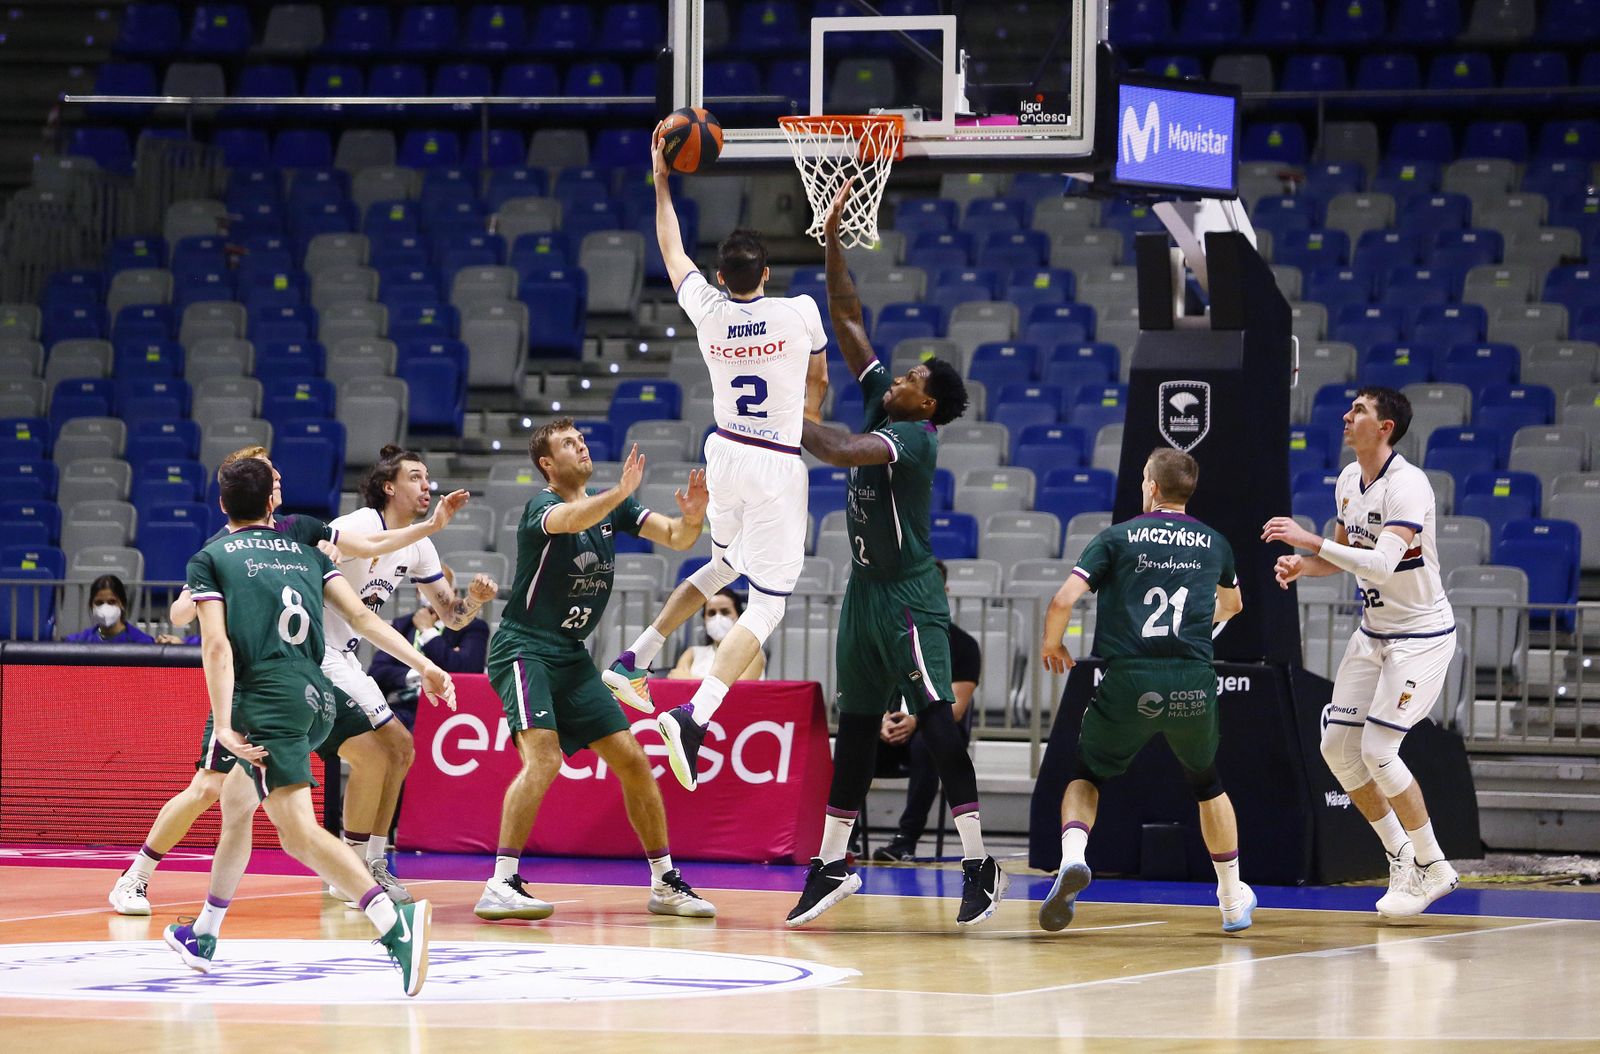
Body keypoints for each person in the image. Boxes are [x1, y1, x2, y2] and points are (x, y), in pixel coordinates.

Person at [108, 445, 470, 916]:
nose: (278, 481)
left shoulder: (301, 531)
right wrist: (194, 600)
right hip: (250, 687)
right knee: (213, 790)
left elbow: (369, 563)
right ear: (253, 491)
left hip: (303, 681)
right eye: (270, 475)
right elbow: (184, 615)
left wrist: (430, 528)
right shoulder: (224, 546)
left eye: (277, 475)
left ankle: (348, 880)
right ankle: (137, 877)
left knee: (364, 758)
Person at [784, 179, 1005, 929]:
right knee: (854, 727)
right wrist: (833, 236)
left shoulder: (912, 439)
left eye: (913, 379)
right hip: (866, 590)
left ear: (929, 403)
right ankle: (831, 864)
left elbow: (842, 449)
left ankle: (980, 860)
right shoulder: (893, 403)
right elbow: (847, 319)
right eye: (903, 373)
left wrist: (785, 410)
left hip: (911, 595)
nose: (900, 377)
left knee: (938, 724)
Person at [162, 456, 456, 996]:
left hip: (268, 700)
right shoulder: (304, 547)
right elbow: (366, 620)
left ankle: (394, 925)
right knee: (235, 806)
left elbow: (216, 646)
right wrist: (427, 665)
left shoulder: (212, 557)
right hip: (319, 695)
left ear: (223, 504)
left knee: (296, 831)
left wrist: (224, 725)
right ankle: (203, 932)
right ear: (272, 502)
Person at [602, 124, 828, 791]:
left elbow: (671, 248)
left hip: (724, 452)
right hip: (775, 462)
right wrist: (810, 410)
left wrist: (663, 177)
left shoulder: (708, 311)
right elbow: (817, 384)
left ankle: (635, 658)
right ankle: (694, 717)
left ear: (723, 277)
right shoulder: (798, 311)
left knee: (723, 564)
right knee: (767, 606)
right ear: (765, 274)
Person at [473, 421, 718, 923]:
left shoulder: (613, 507)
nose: (581, 445)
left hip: (571, 654)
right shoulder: (541, 508)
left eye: (582, 439)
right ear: (547, 463)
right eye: (568, 443)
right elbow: (570, 518)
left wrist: (694, 519)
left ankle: (664, 883)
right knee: (544, 759)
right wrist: (620, 492)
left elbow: (675, 536)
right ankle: (500, 882)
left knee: (631, 758)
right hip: (524, 648)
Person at [1262, 386, 1460, 918]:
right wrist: (1308, 566)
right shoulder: (1350, 480)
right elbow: (1350, 556)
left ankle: (1434, 864)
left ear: (1386, 427)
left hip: (1421, 636)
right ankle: (1400, 857)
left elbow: (1383, 564)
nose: (1347, 417)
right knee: (1336, 749)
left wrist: (1308, 542)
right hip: (1373, 634)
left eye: (1360, 411)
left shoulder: (1408, 485)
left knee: (1378, 749)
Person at [1037, 447, 1250, 934]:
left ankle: (1073, 856)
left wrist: (1054, 644)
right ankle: (1232, 899)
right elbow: (1234, 605)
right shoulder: (1214, 542)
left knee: (1087, 774)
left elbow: (1063, 599)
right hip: (1191, 680)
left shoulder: (1117, 538)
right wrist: (1202, 621)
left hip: (1130, 676)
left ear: (1151, 486)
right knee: (1207, 783)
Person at [321, 446, 498, 899]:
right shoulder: (360, 524)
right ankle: (357, 867)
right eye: (416, 478)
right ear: (389, 487)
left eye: (427, 478)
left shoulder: (421, 546)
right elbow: (322, 547)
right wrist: (324, 552)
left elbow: (453, 617)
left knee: (398, 751)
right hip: (315, 653)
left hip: (347, 656)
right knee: (385, 750)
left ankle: (365, 864)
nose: (426, 486)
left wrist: (475, 601)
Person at [872, 560, 982, 862]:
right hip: (893, 726)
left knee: (929, 744)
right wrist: (882, 719)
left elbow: (956, 708)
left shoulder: (963, 645)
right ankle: (846, 839)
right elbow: (874, 689)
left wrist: (916, 721)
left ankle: (905, 840)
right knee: (857, 738)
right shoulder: (891, 637)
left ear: (943, 591)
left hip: (936, 728)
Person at [368, 563, 491, 728]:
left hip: (450, 712)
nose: (433, 593)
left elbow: (468, 669)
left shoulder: (473, 627)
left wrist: (427, 632)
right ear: (418, 593)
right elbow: (377, 672)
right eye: (425, 587)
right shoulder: (401, 625)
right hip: (404, 707)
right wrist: (420, 674)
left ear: (453, 593)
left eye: (441, 587)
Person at [667, 587, 765, 681]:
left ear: (739, 617)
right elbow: (679, 685)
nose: (718, 618)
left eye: (725, 612)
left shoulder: (753, 653)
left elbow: (737, 692)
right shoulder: (692, 654)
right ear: (704, 619)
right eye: (712, 613)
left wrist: (689, 679)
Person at [63, 574, 155, 643]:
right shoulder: (77, 642)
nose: (105, 607)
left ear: (122, 604)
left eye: (112, 602)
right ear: (91, 605)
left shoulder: (142, 642)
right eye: (99, 603)